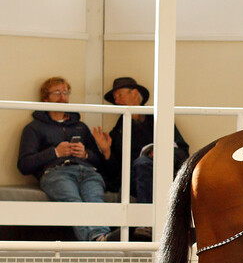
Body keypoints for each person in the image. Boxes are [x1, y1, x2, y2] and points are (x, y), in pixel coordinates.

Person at [17, 77, 115, 242]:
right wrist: (55, 153)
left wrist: (85, 155)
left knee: (95, 201)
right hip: (57, 173)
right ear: (45, 98)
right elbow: (24, 165)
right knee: (73, 202)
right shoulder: (34, 128)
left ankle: (100, 239)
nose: (62, 97)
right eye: (57, 93)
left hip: (88, 172)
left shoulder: (80, 126)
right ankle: (97, 241)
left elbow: (98, 160)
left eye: (65, 92)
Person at [93, 77, 189, 205]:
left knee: (144, 164)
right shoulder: (119, 128)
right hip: (133, 179)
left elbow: (183, 151)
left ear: (134, 93)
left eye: (120, 95)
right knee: (141, 164)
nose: (117, 101)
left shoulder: (158, 118)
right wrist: (107, 152)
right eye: (115, 98)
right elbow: (114, 170)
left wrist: (160, 152)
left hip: (164, 173)